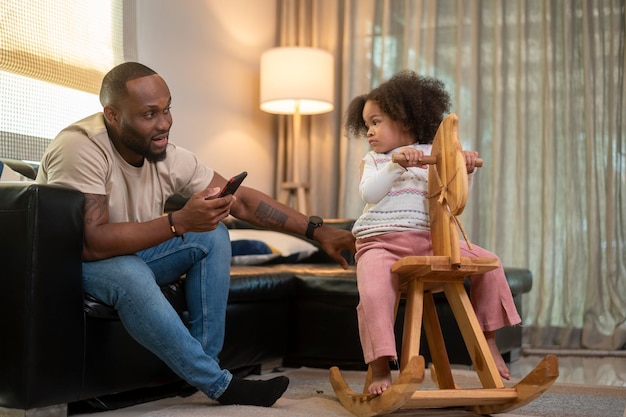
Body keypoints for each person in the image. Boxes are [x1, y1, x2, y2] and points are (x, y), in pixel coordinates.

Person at [36, 62, 356, 407]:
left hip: (125, 254)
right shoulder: (81, 148)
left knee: (213, 233)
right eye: (149, 114)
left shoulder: (165, 155)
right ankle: (220, 384)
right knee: (130, 274)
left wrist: (316, 230)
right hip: (69, 262)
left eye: (167, 109)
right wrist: (177, 223)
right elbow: (92, 243)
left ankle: (201, 368)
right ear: (112, 115)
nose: (164, 123)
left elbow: (242, 203)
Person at [344, 71, 521, 395]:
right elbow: (369, 194)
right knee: (372, 290)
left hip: (431, 242)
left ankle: (489, 342)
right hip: (381, 242)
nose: (369, 131)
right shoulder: (375, 159)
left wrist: (463, 168)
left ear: (406, 121)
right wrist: (395, 165)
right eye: (367, 124)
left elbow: (453, 197)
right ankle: (380, 367)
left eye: (377, 121)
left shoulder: (435, 151)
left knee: (490, 264)